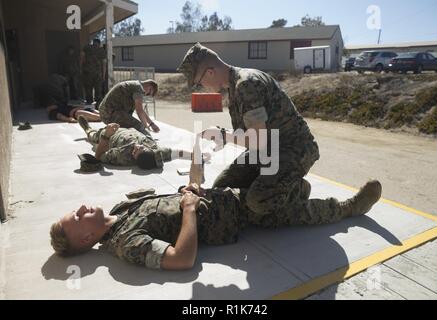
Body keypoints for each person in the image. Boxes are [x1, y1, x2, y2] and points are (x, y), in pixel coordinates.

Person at [49, 140, 382, 271]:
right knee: (295, 213)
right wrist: (191, 209)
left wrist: (189, 188)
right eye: (76, 217)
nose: (80, 208)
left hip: (220, 193)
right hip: (235, 216)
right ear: (84, 239)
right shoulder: (126, 244)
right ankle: (349, 208)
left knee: (255, 156)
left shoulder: (120, 210)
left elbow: (166, 204)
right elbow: (181, 259)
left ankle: (293, 191)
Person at [177, 43, 382, 226]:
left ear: (210, 72)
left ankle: (346, 207)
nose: (201, 88)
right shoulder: (234, 86)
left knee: (258, 202)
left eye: (198, 82)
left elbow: (258, 138)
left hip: (293, 149)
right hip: (268, 149)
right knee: (223, 189)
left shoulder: (246, 85)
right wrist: (225, 136)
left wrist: (223, 135)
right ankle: (291, 189)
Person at [77, 116, 206, 170]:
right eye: (140, 148)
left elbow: (99, 156)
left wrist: (106, 136)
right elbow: (178, 153)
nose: (136, 147)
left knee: (93, 137)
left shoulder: (122, 157)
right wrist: (196, 156)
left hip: (111, 135)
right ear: (148, 150)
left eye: (135, 151)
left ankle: (87, 129)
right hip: (129, 129)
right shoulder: (156, 152)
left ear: (133, 157)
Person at [81, 39, 106, 104]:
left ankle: (89, 105)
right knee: (98, 90)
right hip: (97, 74)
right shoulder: (101, 50)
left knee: (88, 89)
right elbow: (104, 63)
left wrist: (83, 67)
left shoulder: (87, 47)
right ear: (99, 43)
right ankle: (98, 106)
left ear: (93, 42)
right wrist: (103, 75)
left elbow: (82, 58)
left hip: (87, 72)